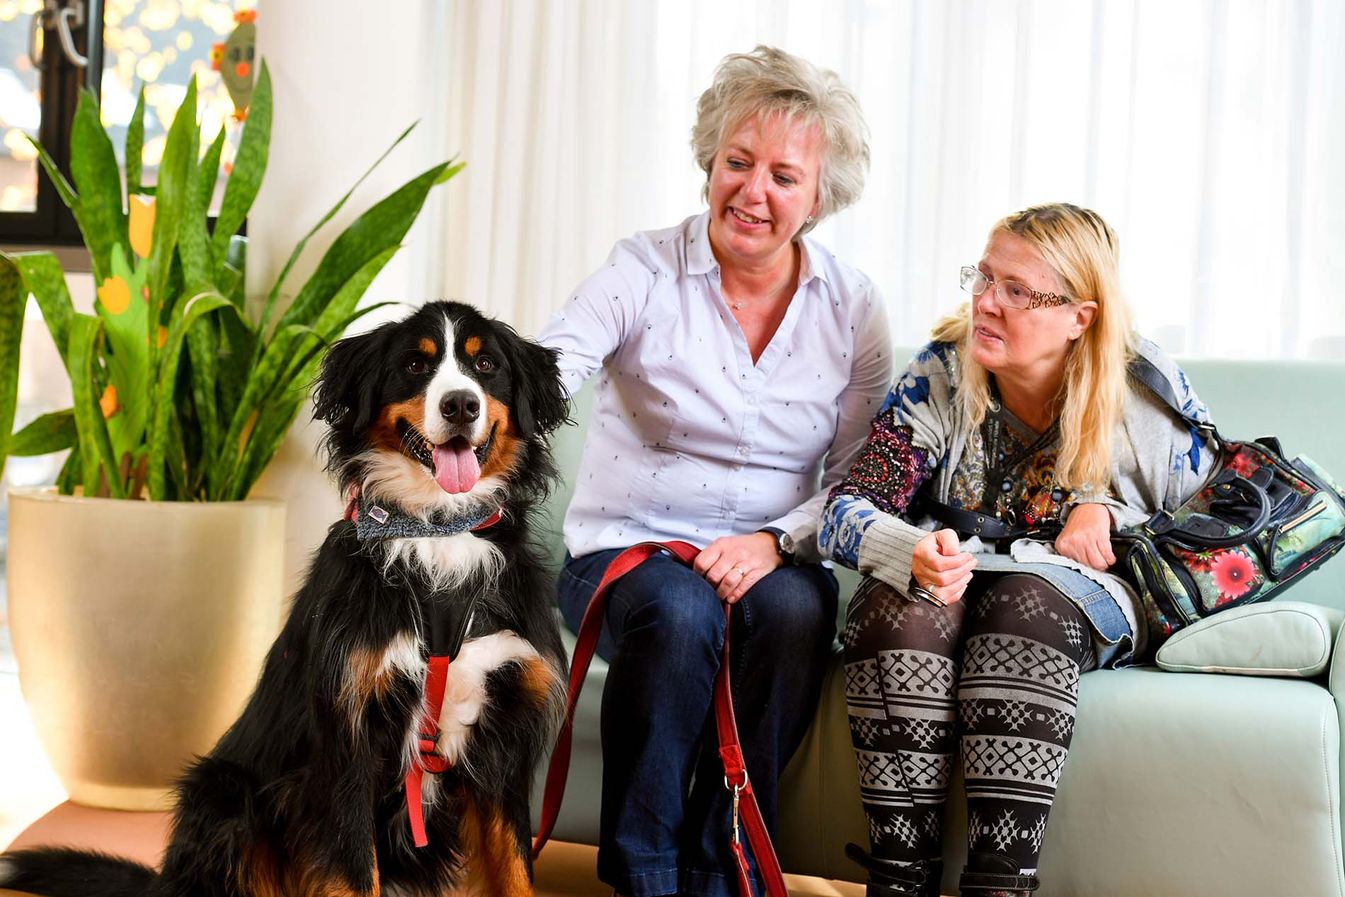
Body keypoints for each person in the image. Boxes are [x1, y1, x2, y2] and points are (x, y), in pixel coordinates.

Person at [538, 46, 891, 897]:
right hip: (625, 556)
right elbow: (544, 368)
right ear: (709, 161)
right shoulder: (641, 269)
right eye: (737, 162)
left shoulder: (852, 306)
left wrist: (775, 540)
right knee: (676, 604)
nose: (752, 191)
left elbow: (858, 476)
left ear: (818, 197)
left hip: (773, 557)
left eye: (783, 175)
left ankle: (721, 868)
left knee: (796, 608)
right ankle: (644, 873)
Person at [820, 203, 1217, 897]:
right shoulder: (941, 375)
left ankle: (999, 886)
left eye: (1016, 291)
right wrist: (910, 547)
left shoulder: (1141, 389)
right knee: (899, 607)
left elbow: (1210, 534)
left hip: (1066, 601)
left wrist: (1107, 512)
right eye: (982, 277)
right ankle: (897, 878)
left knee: (1018, 604)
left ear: (1079, 316)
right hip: (951, 584)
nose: (984, 303)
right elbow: (844, 513)